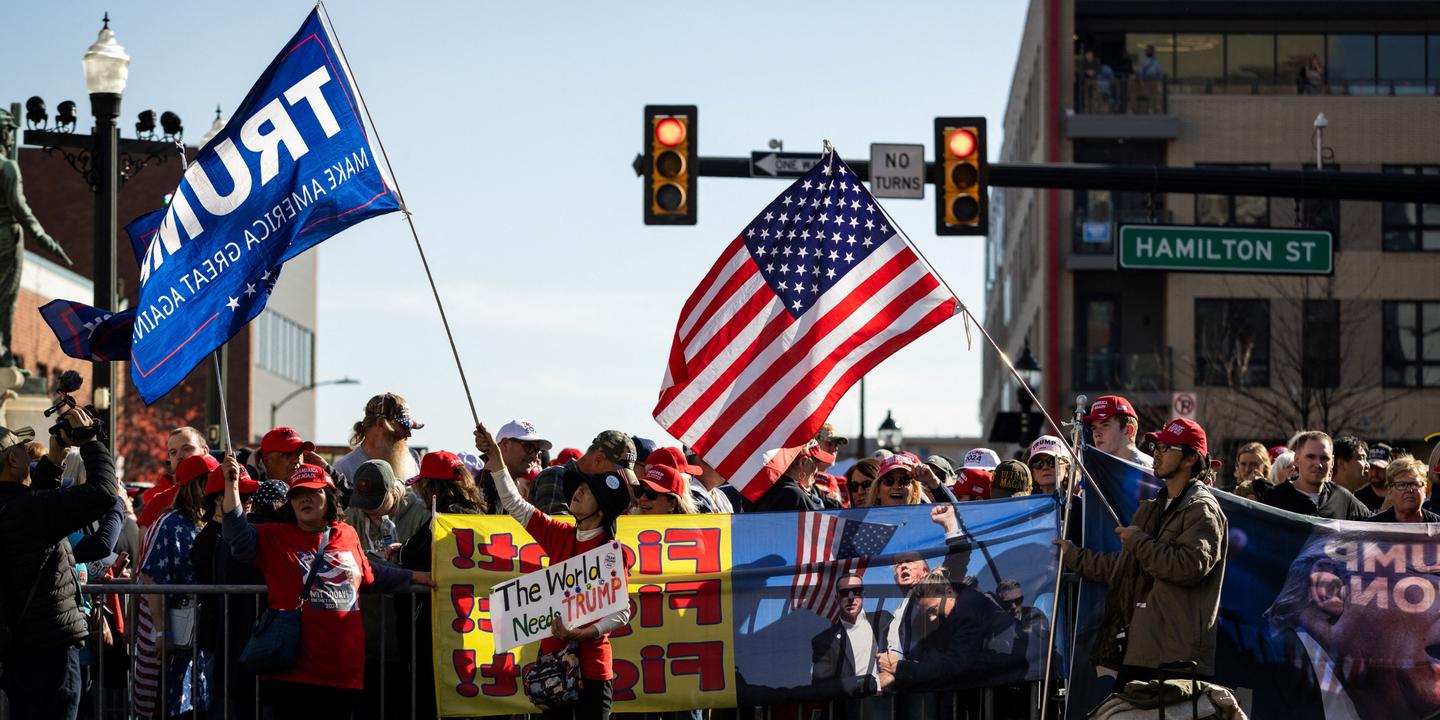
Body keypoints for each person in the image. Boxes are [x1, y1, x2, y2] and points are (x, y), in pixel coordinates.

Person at [221, 460, 430, 719]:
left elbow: (370, 574)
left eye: (313, 492)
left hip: (345, 672)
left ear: (329, 497)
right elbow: (236, 535)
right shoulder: (274, 535)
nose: (304, 499)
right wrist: (231, 486)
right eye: (297, 494)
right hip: (295, 674)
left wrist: (417, 576)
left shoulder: (347, 533)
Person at [475, 422, 631, 720]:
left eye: (587, 490)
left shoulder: (614, 553)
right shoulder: (558, 534)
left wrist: (583, 633)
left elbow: (622, 613)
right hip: (553, 666)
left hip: (595, 669)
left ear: (601, 509)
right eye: (580, 486)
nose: (577, 492)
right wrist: (495, 458)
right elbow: (514, 503)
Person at [1055, 418, 1228, 685]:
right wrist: (1073, 555)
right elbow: (1122, 565)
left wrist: (1139, 542)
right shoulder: (1151, 508)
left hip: (1175, 658)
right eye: (1156, 446)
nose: (1156, 452)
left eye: (1167, 447)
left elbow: (1188, 567)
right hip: (1139, 651)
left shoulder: (1202, 509)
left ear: (1191, 459)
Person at [0, 410, 118, 720]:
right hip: (49, 651)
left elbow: (35, 507)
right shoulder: (26, 511)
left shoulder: (14, 508)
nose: (29, 452)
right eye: (21, 449)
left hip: (16, 649)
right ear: (12, 461)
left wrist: (54, 459)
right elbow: (104, 494)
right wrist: (90, 441)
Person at [398, 450, 487, 719]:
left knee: (434, 699)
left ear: (433, 487)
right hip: (477, 626)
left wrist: (399, 552)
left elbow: (416, 556)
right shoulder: (483, 517)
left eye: (424, 485)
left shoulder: (442, 520)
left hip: (440, 628)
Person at [136, 453, 216, 718]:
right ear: (198, 484)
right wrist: (162, 633)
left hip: (207, 638)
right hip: (178, 635)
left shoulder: (214, 523)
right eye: (211, 480)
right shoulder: (170, 523)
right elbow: (152, 577)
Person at [191, 461, 264, 720]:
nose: (248, 502)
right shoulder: (208, 539)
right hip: (218, 637)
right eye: (241, 495)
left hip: (242, 633)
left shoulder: (248, 533)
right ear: (219, 498)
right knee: (220, 704)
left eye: (250, 495)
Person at [810, 572, 891, 718]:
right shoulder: (823, 641)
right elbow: (821, 687)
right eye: (845, 592)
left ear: (864, 595)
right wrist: (871, 683)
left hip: (886, 707)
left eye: (857, 591)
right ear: (837, 598)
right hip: (848, 711)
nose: (851, 597)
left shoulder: (883, 620)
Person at [1261, 432, 1372, 520]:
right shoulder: (1273, 499)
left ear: (1332, 462)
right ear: (1296, 459)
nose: (1318, 464)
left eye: (1324, 458)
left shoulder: (1342, 498)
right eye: (1311, 457)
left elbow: (1375, 526)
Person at [334, 392, 424, 495]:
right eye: (403, 426)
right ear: (381, 423)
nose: (408, 434)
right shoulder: (345, 469)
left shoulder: (412, 460)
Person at [529, 430, 633, 516]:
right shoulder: (555, 476)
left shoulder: (597, 489)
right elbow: (559, 527)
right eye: (616, 473)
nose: (617, 479)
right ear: (598, 459)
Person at [139, 426, 211, 529]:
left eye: (187, 449)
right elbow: (143, 543)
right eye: (173, 452)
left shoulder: (224, 488)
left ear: (205, 451)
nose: (179, 456)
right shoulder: (156, 501)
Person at [752, 444, 825, 512]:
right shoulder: (793, 495)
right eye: (816, 463)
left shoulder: (766, 488)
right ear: (803, 462)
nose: (817, 470)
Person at [1085, 395, 1152, 468]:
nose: (1096, 434)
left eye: (1105, 425)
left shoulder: (1147, 469)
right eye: (1094, 428)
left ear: (1128, 430)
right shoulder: (1094, 468)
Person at [1369, 458, 1438, 523]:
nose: (1409, 490)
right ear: (1390, 491)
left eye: (1415, 484)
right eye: (1401, 485)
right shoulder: (1373, 527)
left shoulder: (1437, 526)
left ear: (1425, 490)